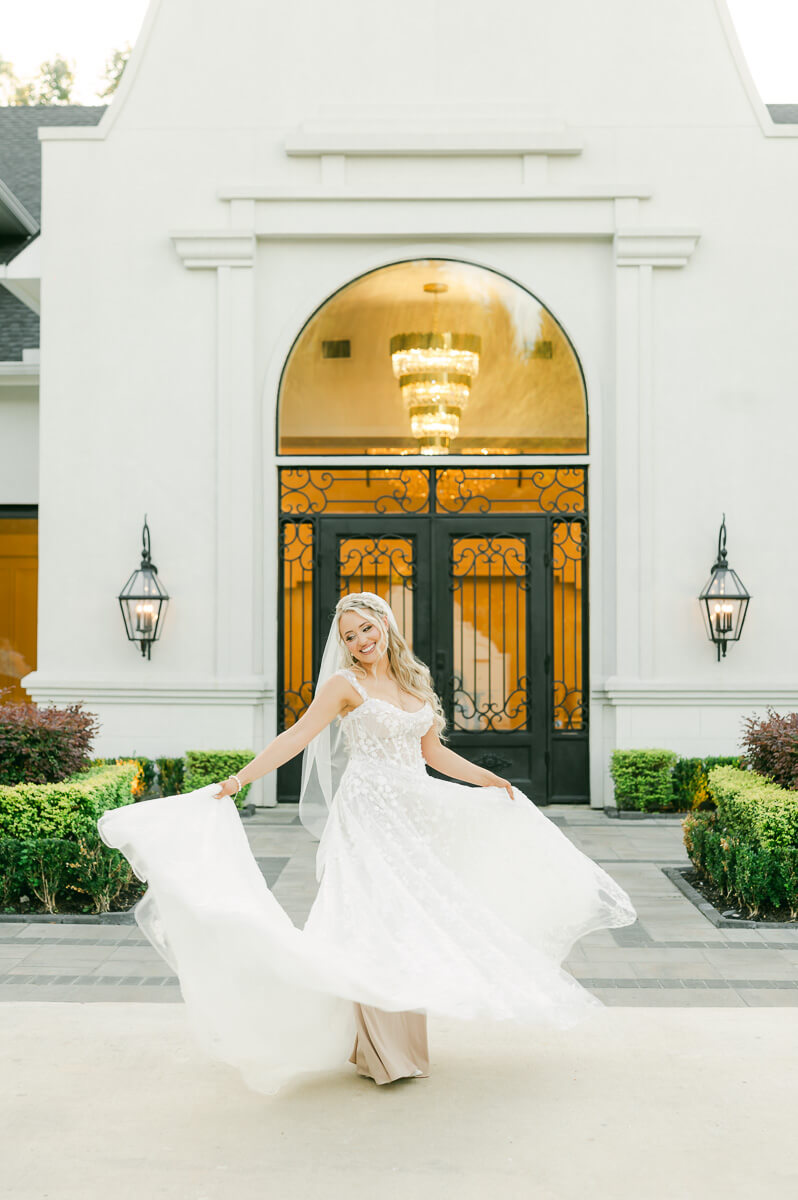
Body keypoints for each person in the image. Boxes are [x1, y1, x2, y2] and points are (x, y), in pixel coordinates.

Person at [98, 591, 637, 1096]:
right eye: (350, 635)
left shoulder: (414, 684)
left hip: (412, 812)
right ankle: (380, 1052)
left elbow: (434, 755)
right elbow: (296, 736)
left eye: (366, 628)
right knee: (374, 917)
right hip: (366, 814)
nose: (360, 640)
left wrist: (488, 780)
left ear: (384, 625)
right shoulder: (342, 685)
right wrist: (238, 782)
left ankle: (398, 1046)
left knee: (408, 920)